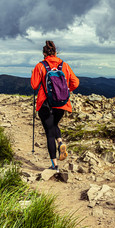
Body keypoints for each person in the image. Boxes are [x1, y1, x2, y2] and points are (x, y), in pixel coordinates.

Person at [31, 40, 79, 172]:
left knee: (49, 133)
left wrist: (33, 75)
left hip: (45, 104)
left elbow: (34, 86)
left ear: (44, 54)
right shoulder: (65, 65)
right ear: (56, 52)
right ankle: (61, 143)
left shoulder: (40, 66)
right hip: (61, 103)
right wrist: (64, 90)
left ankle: (55, 165)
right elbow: (75, 82)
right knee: (54, 125)